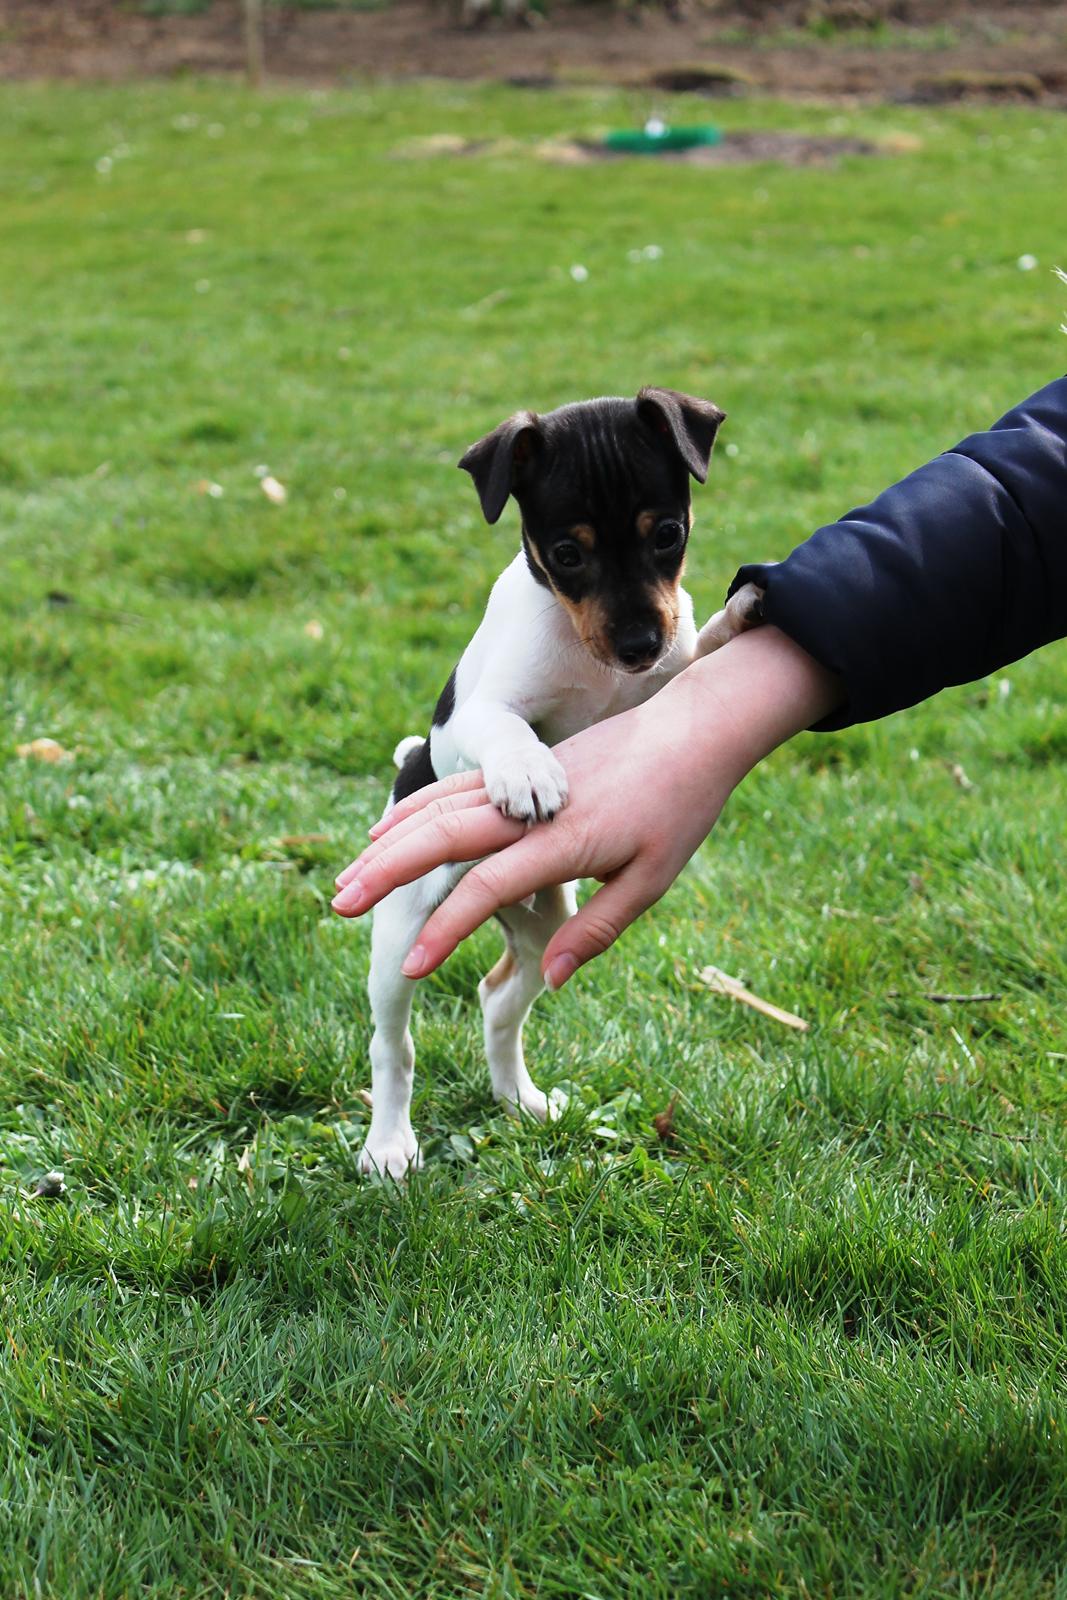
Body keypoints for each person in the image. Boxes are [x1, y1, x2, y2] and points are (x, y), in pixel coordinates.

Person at [332, 374, 1067, 991]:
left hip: (535, 820)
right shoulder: (526, 624)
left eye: (662, 541)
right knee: (398, 970)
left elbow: (684, 689)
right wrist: (511, 752)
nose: (633, 619)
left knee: (533, 960)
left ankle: (506, 1045)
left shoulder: (669, 609)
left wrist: (722, 643)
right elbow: (485, 710)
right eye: (571, 555)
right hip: (448, 782)